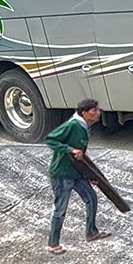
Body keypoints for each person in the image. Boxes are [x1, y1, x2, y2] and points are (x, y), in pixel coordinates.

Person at [44, 98, 111, 254]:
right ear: (84, 113)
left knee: (91, 198)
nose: (98, 114)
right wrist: (70, 149)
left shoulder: (85, 127)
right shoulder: (73, 125)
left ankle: (91, 233)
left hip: (76, 173)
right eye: (94, 111)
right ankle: (52, 244)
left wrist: (88, 175)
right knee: (60, 210)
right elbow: (50, 139)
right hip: (62, 175)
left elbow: (81, 157)